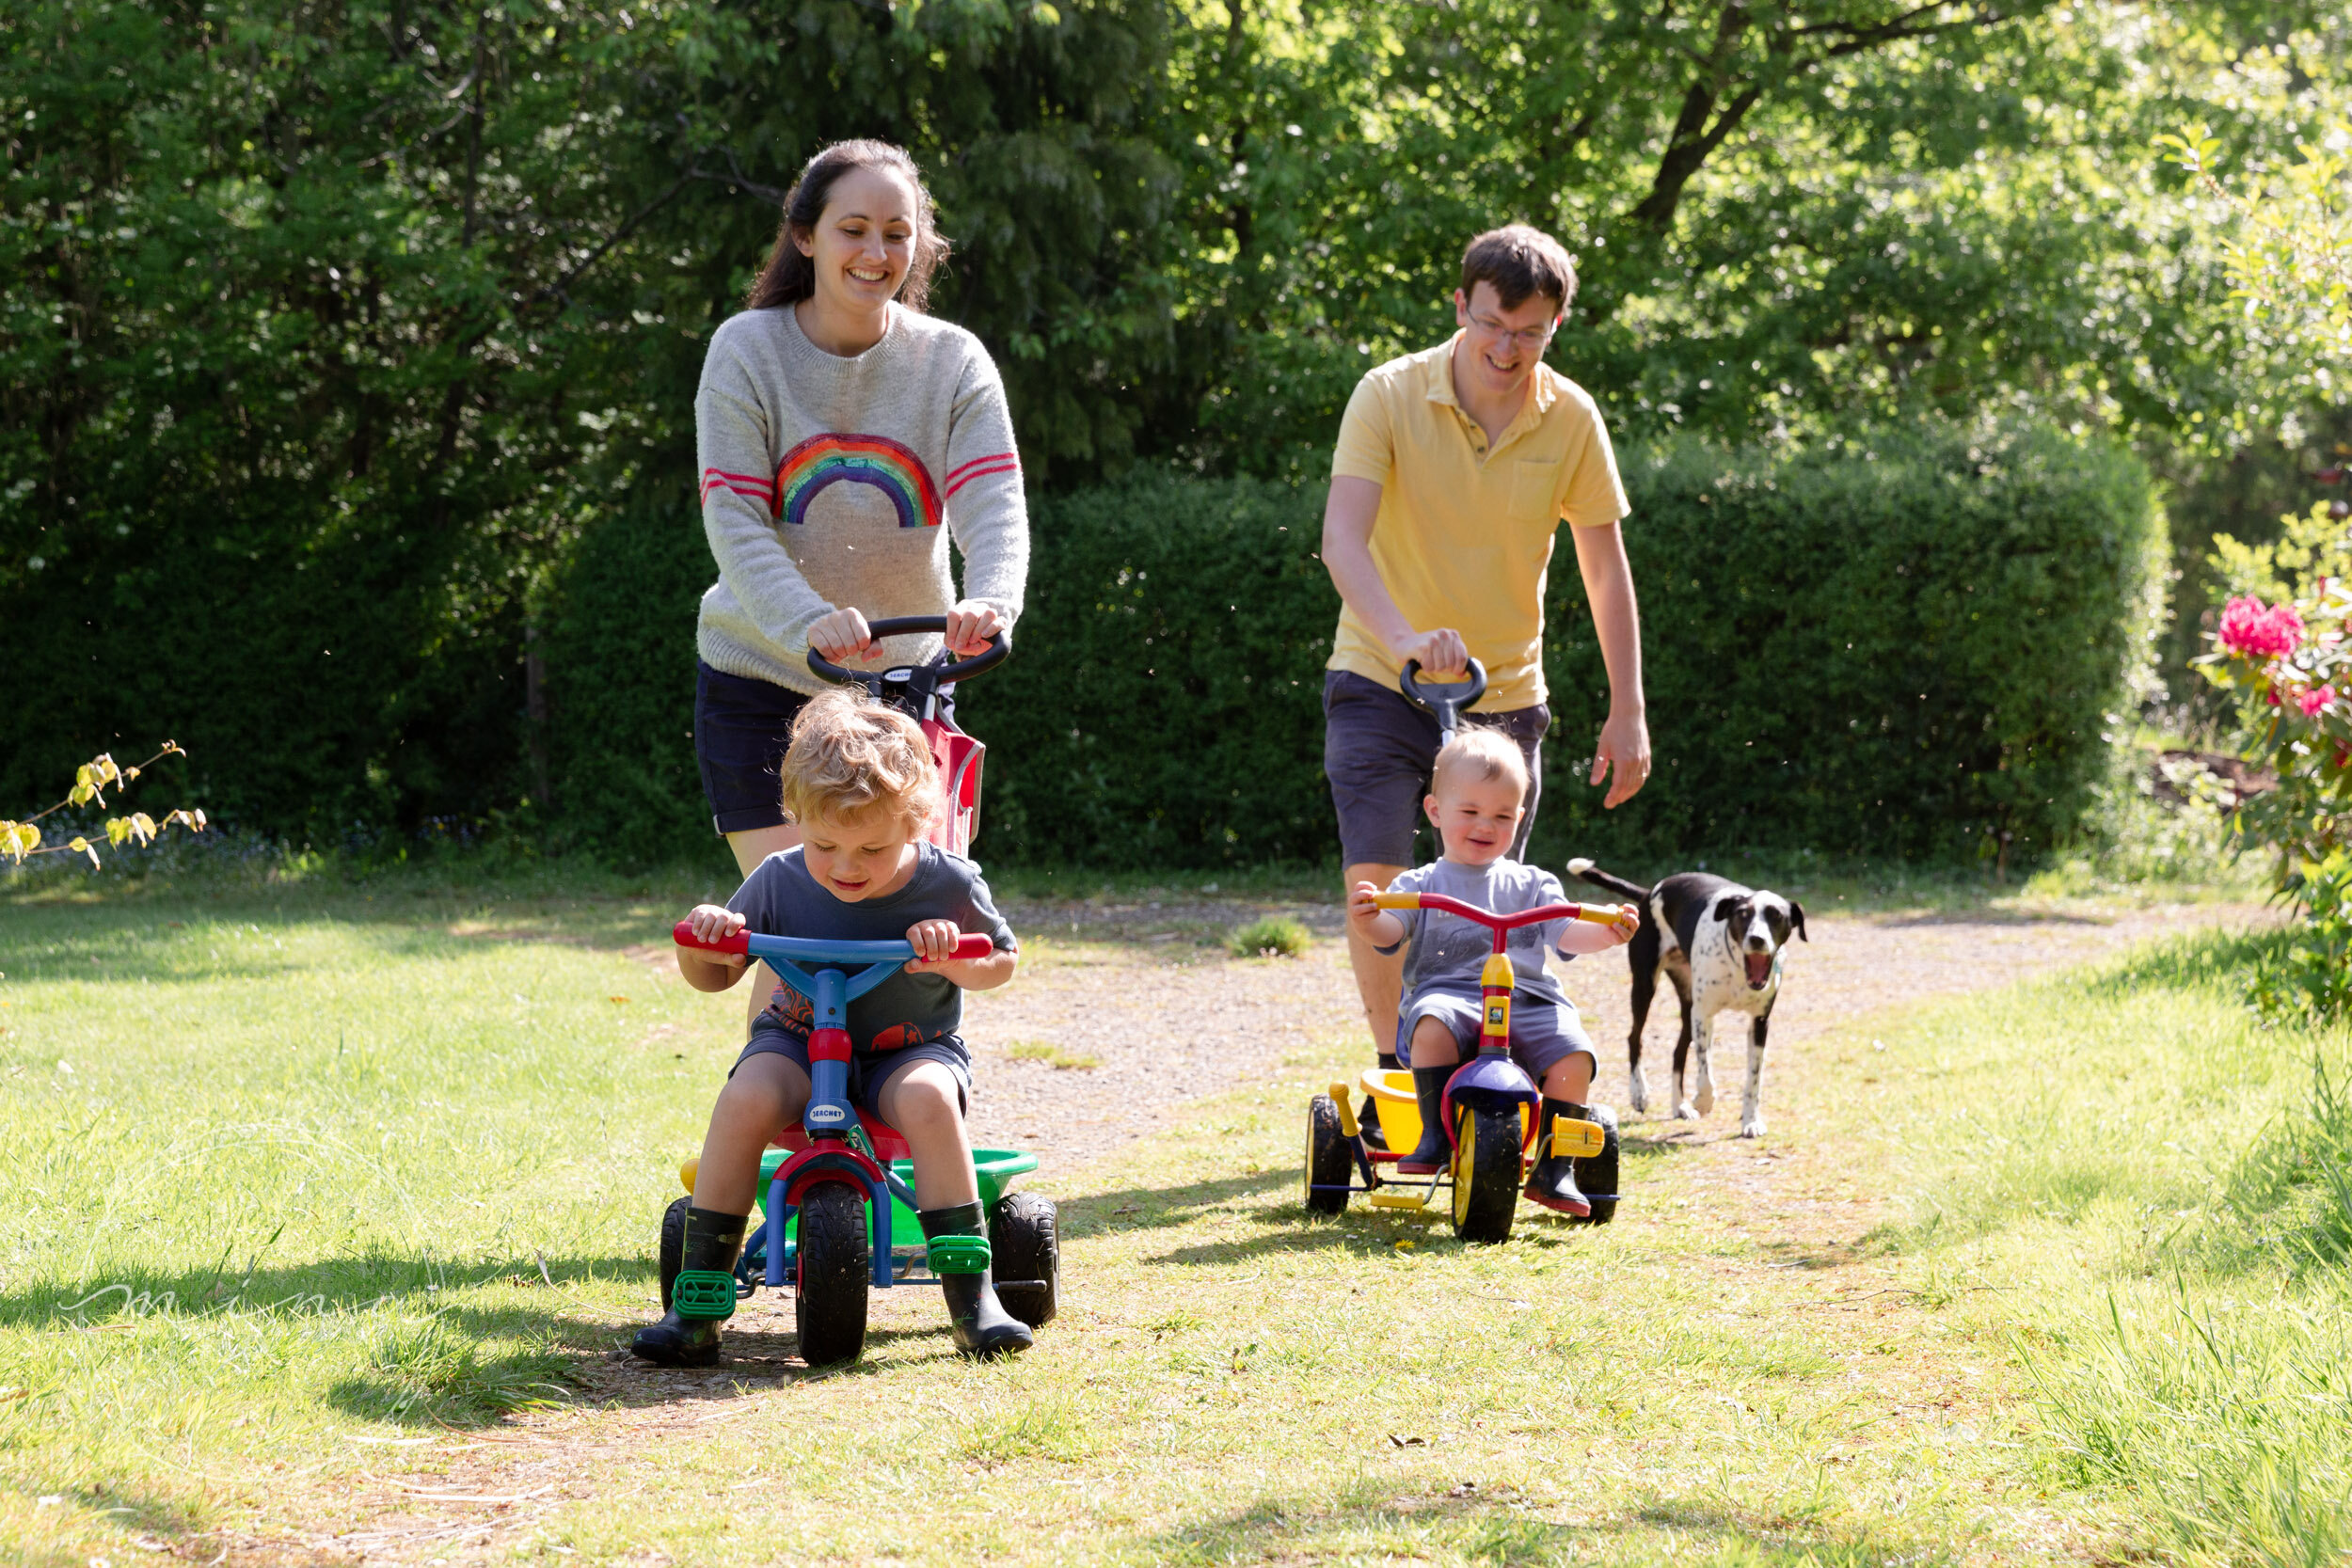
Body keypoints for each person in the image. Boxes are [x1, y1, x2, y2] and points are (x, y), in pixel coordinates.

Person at [1320, 223, 1648, 1146]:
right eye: (1495, 323)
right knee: (1385, 886)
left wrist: (1627, 708)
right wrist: (1404, 638)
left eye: (1533, 332)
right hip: (1379, 677)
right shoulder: (1387, 394)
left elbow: (1603, 568)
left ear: (1554, 327)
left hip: (1505, 695)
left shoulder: (1571, 417)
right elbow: (1342, 538)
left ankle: (1489, 1080)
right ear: (1461, 305)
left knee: (1486, 899)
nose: (1509, 349)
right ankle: (1403, 1080)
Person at [694, 137, 1028, 1037]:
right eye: (852, 229)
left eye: (896, 232)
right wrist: (808, 619)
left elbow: (993, 501)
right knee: (800, 931)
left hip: (901, 698)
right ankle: (784, 1125)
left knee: (911, 928)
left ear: (921, 246)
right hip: (764, 679)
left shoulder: (952, 360)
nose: (875, 253)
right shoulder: (746, 351)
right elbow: (734, 522)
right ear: (805, 236)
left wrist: (991, 601)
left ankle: (903, 1111)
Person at [631, 688, 1029, 1365]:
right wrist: (704, 943)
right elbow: (716, 977)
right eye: (825, 844)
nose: (846, 866)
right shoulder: (780, 878)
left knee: (931, 1099)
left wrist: (954, 954)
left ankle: (973, 1297)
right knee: (747, 1095)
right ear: (797, 819)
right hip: (795, 1038)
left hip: (909, 1048)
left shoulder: (949, 882)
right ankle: (696, 1302)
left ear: (915, 822)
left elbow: (1000, 962)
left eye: (872, 847)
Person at [1344, 729, 1638, 1215]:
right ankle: (1434, 1136)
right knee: (1431, 1021)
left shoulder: (1533, 883)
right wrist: (1370, 917)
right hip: (1452, 993)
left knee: (1574, 1054)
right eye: (1470, 812)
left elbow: (1565, 931)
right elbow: (1390, 929)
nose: (1486, 825)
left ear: (1519, 819)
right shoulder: (1420, 884)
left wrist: (1607, 933)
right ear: (1436, 811)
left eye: (1502, 815)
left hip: (1528, 999)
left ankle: (1554, 1164)